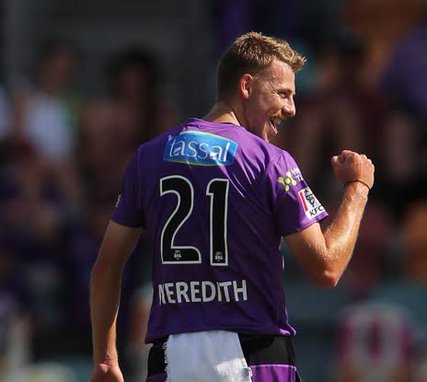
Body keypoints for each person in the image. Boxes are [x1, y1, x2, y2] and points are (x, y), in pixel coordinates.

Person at [89, 31, 374, 382]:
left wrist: (105, 358)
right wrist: (358, 188)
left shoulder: (148, 158)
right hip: (251, 352)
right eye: (283, 93)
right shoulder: (270, 161)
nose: (291, 108)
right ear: (246, 86)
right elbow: (326, 268)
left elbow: (106, 267)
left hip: (170, 357)